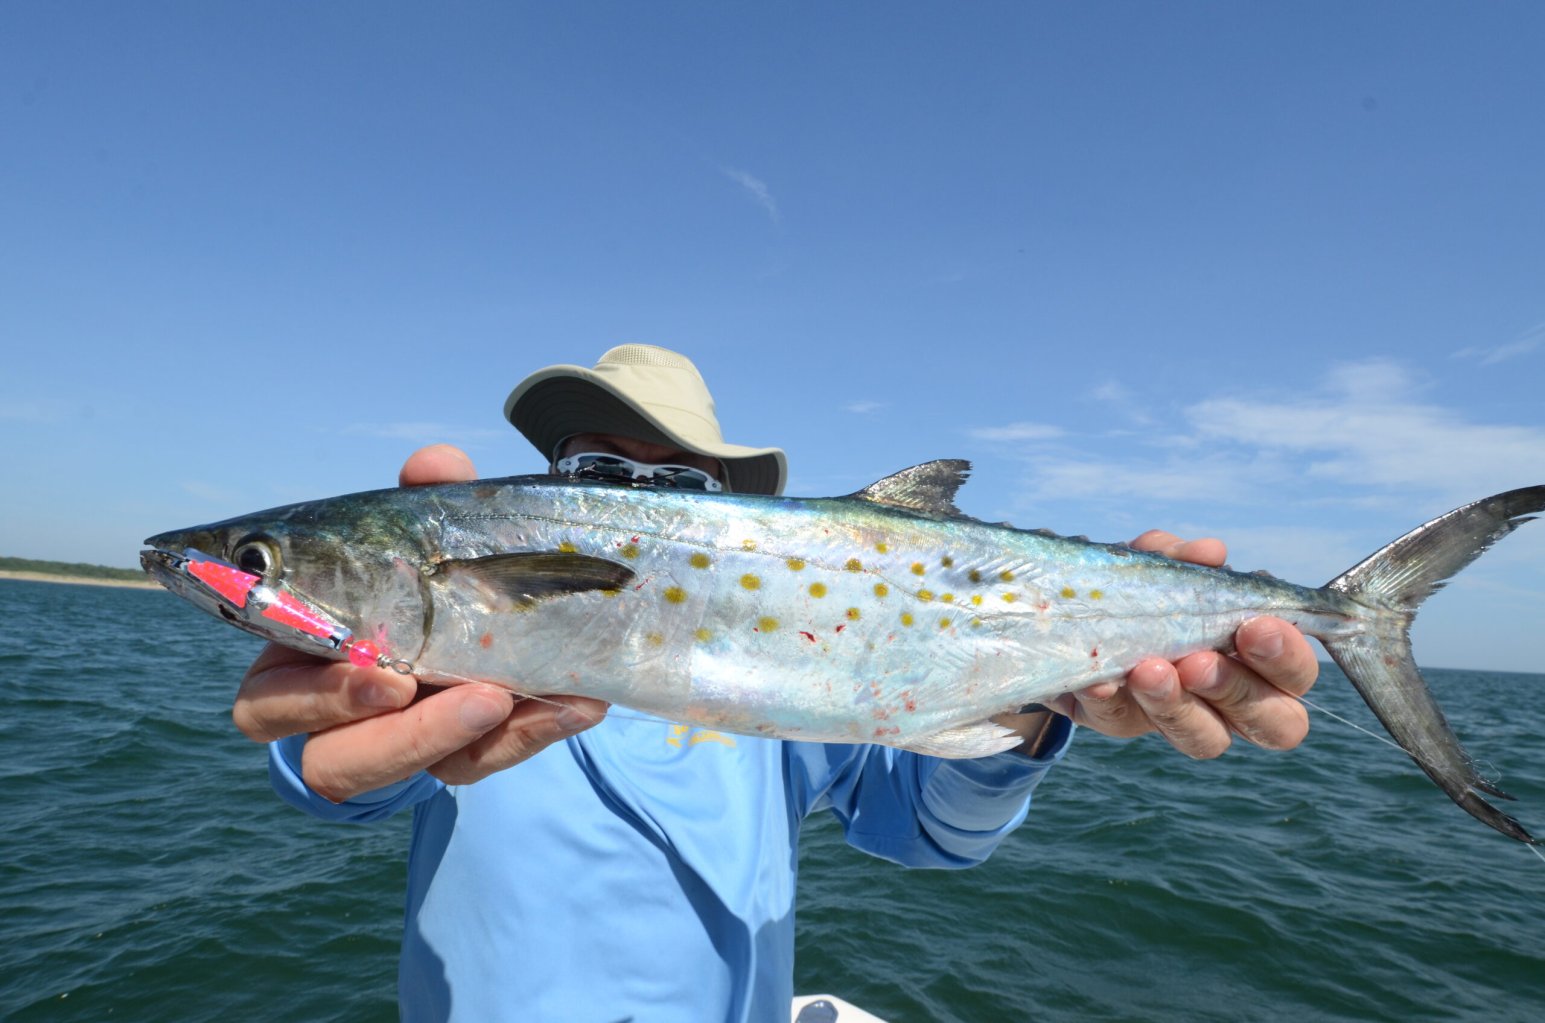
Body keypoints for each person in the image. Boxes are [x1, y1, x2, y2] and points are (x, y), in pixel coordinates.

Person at [237, 345, 1319, 1022]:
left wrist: (1038, 707)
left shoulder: (807, 657)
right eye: (595, 477)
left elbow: (928, 834)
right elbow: (348, 767)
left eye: (669, 484)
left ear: (724, 503)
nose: (628, 502)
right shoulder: (465, 662)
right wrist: (323, 746)